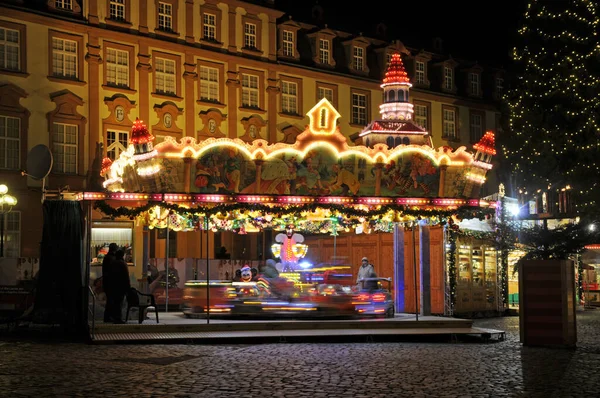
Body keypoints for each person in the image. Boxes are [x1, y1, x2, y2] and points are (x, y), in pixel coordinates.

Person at [112, 249, 131, 323]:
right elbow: (126, 276)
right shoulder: (122, 264)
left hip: (114, 285)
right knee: (119, 302)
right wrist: (128, 286)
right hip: (121, 286)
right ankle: (118, 318)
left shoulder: (113, 263)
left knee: (115, 302)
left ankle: (115, 317)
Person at [102, 243, 118, 323]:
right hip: (111, 283)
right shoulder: (112, 258)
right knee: (111, 301)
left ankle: (108, 317)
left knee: (110, 301)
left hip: (107, 282)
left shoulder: (107, 257)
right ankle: (109, 317)